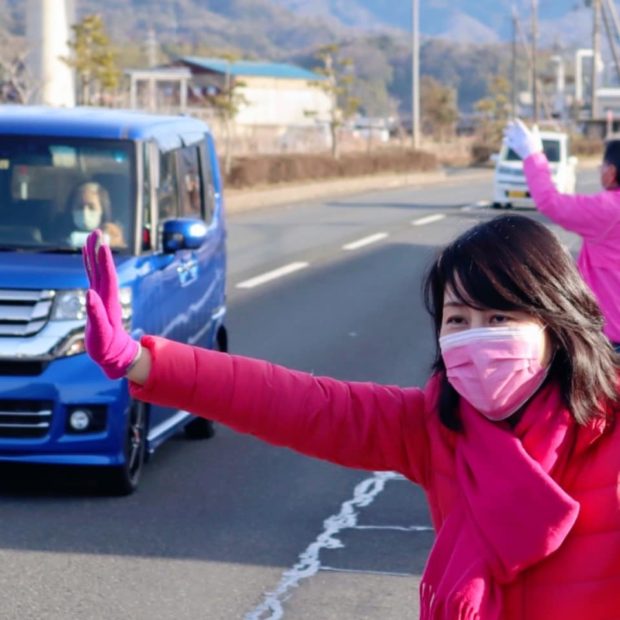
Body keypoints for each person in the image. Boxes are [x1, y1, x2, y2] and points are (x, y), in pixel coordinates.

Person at [82, 216, 620, 620]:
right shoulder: (434, 427)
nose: (476, 338)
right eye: (458, 319)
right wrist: (139, 359)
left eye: (499, 316)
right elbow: (293, 403)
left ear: (555, 319)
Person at [504, 119, 620, 350]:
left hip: (610, 338)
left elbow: (550, 202)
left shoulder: (609, 210)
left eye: (602, 165)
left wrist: (532, 155)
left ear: (611, 172)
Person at [65, 181, 124, 248]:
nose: (85, 212)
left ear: (103, 210)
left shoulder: (113, 233)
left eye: (91, 207)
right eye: (80, 207)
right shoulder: (60, 234)